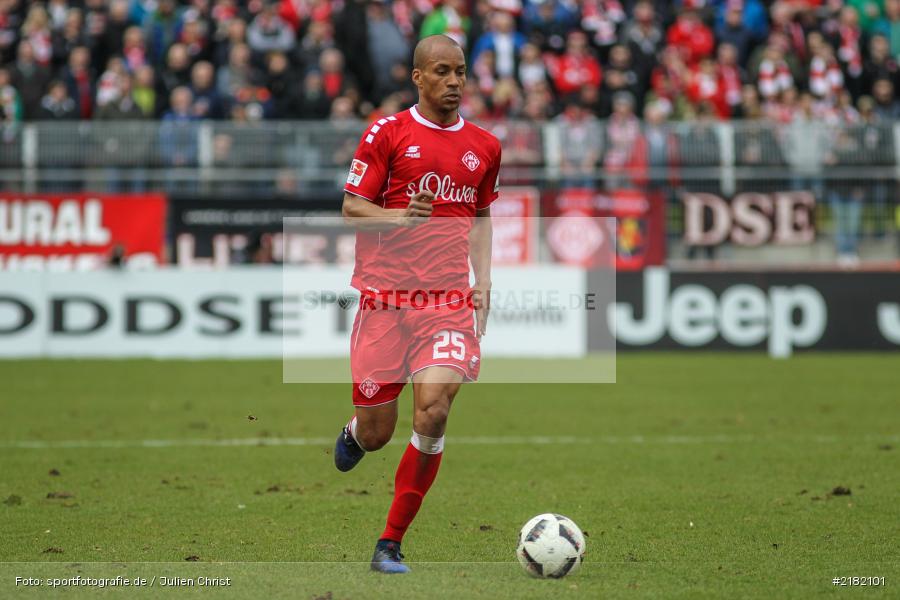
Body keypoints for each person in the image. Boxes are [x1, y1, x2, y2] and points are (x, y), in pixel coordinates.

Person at [335, 34, 500, 574]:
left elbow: (480, 216)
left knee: (433, 410)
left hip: (447, 302)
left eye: (461, 72)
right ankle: (357, 433)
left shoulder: (484, 146)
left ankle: (390, 542)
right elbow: (352, 206)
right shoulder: (388, 132)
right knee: (380, 432)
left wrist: (485, 280)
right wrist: (399, 218)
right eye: (443, 72)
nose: (455, 82)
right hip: (384, 301)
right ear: (418, 77)